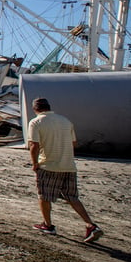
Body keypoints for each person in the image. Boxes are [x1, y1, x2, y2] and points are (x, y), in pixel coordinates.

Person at [27, 97, 103, 243]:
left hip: (49, 165)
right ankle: (90, 224)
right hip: (68, 165)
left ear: (35, 109)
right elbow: (73, 143)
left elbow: (34, 145)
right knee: (72, 197)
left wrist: (35, 163)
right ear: (49, 107)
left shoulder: (36, 122)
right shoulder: (65, 121)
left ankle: (48, 225)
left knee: (44, 196)